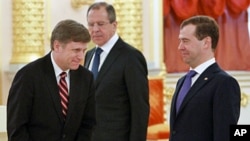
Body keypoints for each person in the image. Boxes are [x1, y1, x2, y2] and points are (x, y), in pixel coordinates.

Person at [7, 19, 96, 141]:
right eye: (76, 50)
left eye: (83, 50)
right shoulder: (28, 76)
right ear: (57, 46)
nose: (81, 56)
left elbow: (88, 124)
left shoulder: (86, 77)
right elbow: (17, 129)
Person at [84, 2, 149, 141]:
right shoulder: (88, 55)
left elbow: (140, 109)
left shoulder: (130, 56)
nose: (94, 29)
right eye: (91, 24)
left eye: (100, 24)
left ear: (114, 25)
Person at [169, 15, 241, 141]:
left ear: (206, 43)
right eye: (180, 41)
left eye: (185, 41)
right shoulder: (182, 82)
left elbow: (224, 135)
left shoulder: (224, 83)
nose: (180, 47)